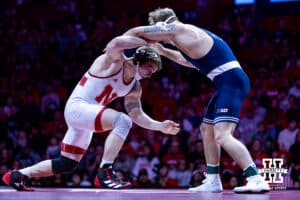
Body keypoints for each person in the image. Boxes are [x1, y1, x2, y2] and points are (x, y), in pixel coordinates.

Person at [2, 35, 180, 191]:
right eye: (151, 67)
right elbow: (116, 43)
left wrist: (159, 125)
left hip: (86, 115)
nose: (152, 72)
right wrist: (150, 40)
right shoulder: (114, 62)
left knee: (67, 163)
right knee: (122, 121)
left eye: (155, 70)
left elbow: (137, 115)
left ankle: (17, 175)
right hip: (79, 108)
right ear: (140, 59)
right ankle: (105, 172)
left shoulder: (135, 86)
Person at [124, 7, 270, 193]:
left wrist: (121, 44)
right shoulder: (187, 39)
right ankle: (213, 180)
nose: (160, 38)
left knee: (222, 135)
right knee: (206, 129)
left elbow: (137, 32)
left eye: (158, 33)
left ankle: (256, 178)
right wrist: (163, 51)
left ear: (162, 26)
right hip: (226, 82)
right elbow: (190, 62)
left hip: (231, 82)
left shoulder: (181, 30)